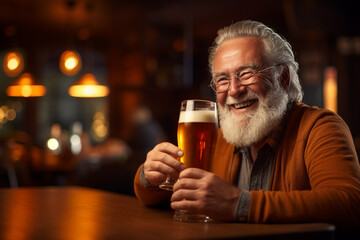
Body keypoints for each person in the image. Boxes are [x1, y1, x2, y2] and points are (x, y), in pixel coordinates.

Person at [133, 20, 360, 229]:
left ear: (283, 78)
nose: (233, 90)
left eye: (247, 73)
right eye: (223, 79)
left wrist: (237, 204)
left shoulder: (320, 128)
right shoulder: (218, 138)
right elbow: (162, 197)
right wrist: (150, 177)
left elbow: (348, 203)